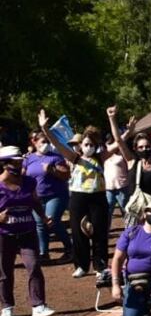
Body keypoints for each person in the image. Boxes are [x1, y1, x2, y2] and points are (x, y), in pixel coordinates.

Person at [38, 109, 112, 282]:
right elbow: (57, 144)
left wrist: (114, 120)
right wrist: (45, 129)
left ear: (96, 145)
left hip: (98, 197)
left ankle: (101, 266)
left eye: (91, 144)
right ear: (81, 145)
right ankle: (81, 266)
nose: (88, 147)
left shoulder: (101, 157)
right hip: (78, 197)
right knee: (78, 232)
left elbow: (119, 142)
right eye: (85, 144)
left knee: (99, 232)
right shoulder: (74, 158)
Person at [0, 147, 57, 316]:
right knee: (4, 271)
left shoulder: (29, 182)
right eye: (14, 163)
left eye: (20, 162)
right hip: (4, 235)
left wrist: (43, 217)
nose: (18, 166)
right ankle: (7, 307)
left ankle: (38, 306)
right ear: (4, 164)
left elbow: (35, 202)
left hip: (27, 232)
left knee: (34, 266)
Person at [24, 130, 72, 261]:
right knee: (40, 224)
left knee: (52, 221)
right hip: (37, 197)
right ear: (34, 143)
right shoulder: (28, 159)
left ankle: (70, 249)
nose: (46, 144)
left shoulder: (56, 157)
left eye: (48, 142)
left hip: (55, 195)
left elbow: (66, 175)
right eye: (43, 142)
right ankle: (43, 253)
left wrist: (52, 170)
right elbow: (23, 174)